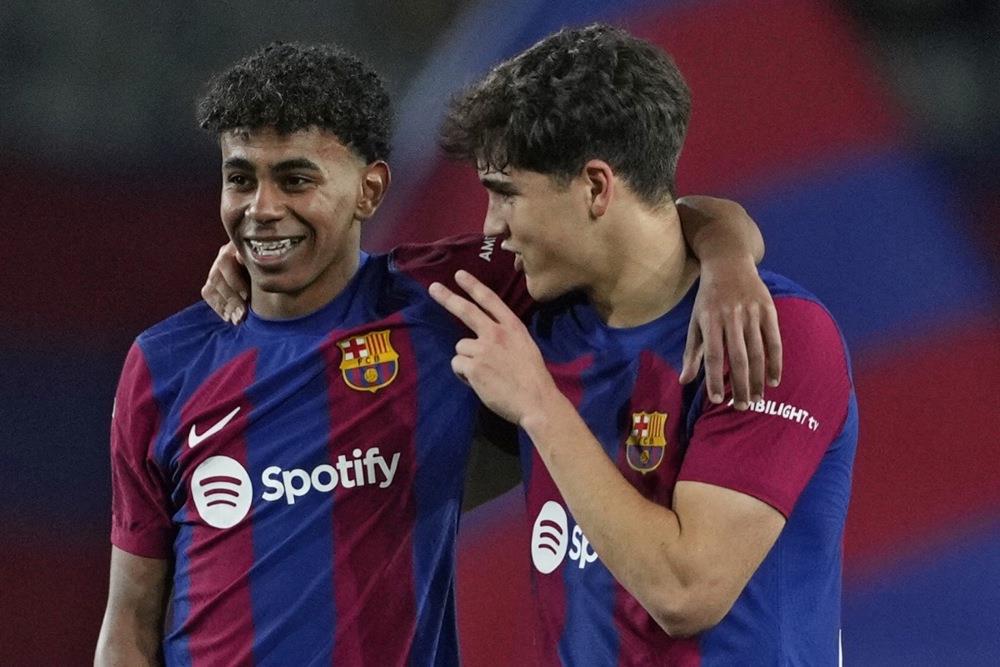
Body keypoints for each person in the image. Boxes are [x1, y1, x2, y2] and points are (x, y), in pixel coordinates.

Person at [95, 42, 779, 666]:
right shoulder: (164, 362)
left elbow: (648, 222)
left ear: (370, 190)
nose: (261, 207)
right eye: (241, 180)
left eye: (296, 180)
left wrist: (726, 260)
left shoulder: (445, 297)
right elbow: (128, 619)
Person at [429, 24, 857, 665]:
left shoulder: (769, 334)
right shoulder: (535, 306)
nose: (491, 226)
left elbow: (686, 593)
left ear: (596, 188)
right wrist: (726, 243)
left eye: (506, 193)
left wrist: (539, 405)